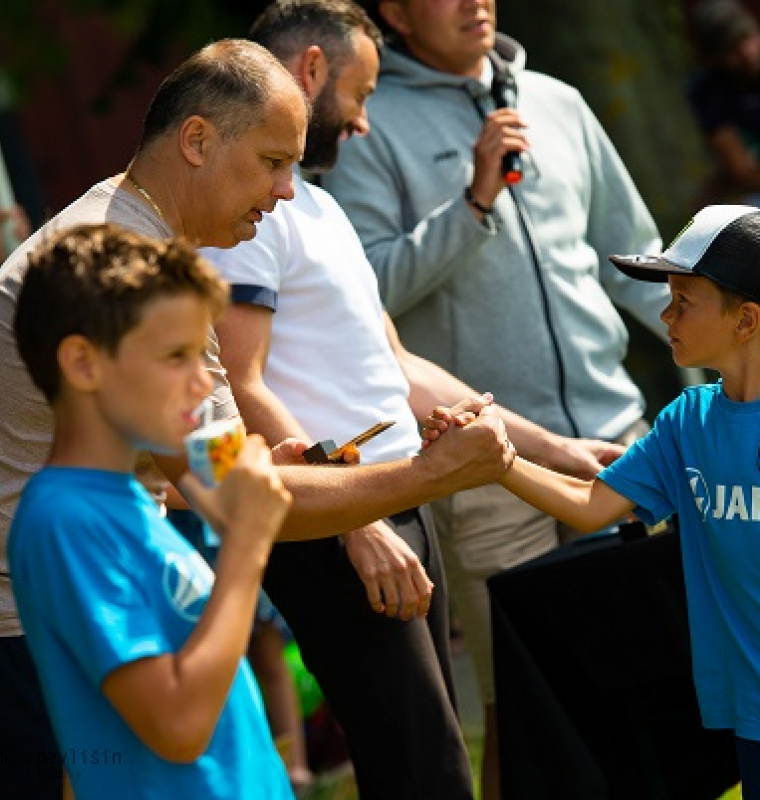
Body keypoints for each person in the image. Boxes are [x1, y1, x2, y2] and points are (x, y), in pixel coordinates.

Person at [0, 37, 514, 798]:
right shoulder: (123, 265)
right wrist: (425, 474)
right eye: (274, 162)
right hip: (43, 641)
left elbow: (208, 469)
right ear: (198, 139)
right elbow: (228, 491)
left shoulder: (138, 246)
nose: (283, 193)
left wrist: (270, 466)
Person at [205, 3, 622, 798]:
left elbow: (397, 365)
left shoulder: (316, 206)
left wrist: (555, 450)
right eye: (362, 93)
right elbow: (239, 378)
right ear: (313, 72)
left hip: (403, 499)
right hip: (345, 516)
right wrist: (355, 524)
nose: (364, 123)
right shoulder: (251, 210)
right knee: (421, 766)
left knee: (435, 760)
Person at [320, 1, 673, 794]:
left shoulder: (558, 101)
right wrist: (473, 203)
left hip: (619, 440)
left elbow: (633, 257)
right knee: (522, 704)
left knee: (655, 677)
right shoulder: (367, 128)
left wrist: (758, 361)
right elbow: (365, 295)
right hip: (488, 465)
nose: (475, 0)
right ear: (398, 15)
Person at [429, 203, 760, 800]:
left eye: (684, 300)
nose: (665, 314)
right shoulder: (688, 422)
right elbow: (588, 503)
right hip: (757, 713)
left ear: (747, 319)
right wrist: (497, 461)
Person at [9, 223, 294, 799]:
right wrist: (246, 547)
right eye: (175, 356)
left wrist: (251, 487)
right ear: (83, 364)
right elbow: (178, 727)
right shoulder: (64, 520)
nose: (199, 384)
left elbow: (210, 460)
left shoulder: (129, 499)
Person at [686, 0, 760, 227]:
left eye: (748, 38)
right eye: (732, 48)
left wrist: (742, 179)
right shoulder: (705, 88)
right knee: (715, 226)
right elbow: (739, 169)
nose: (747, 53)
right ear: (711, 60)